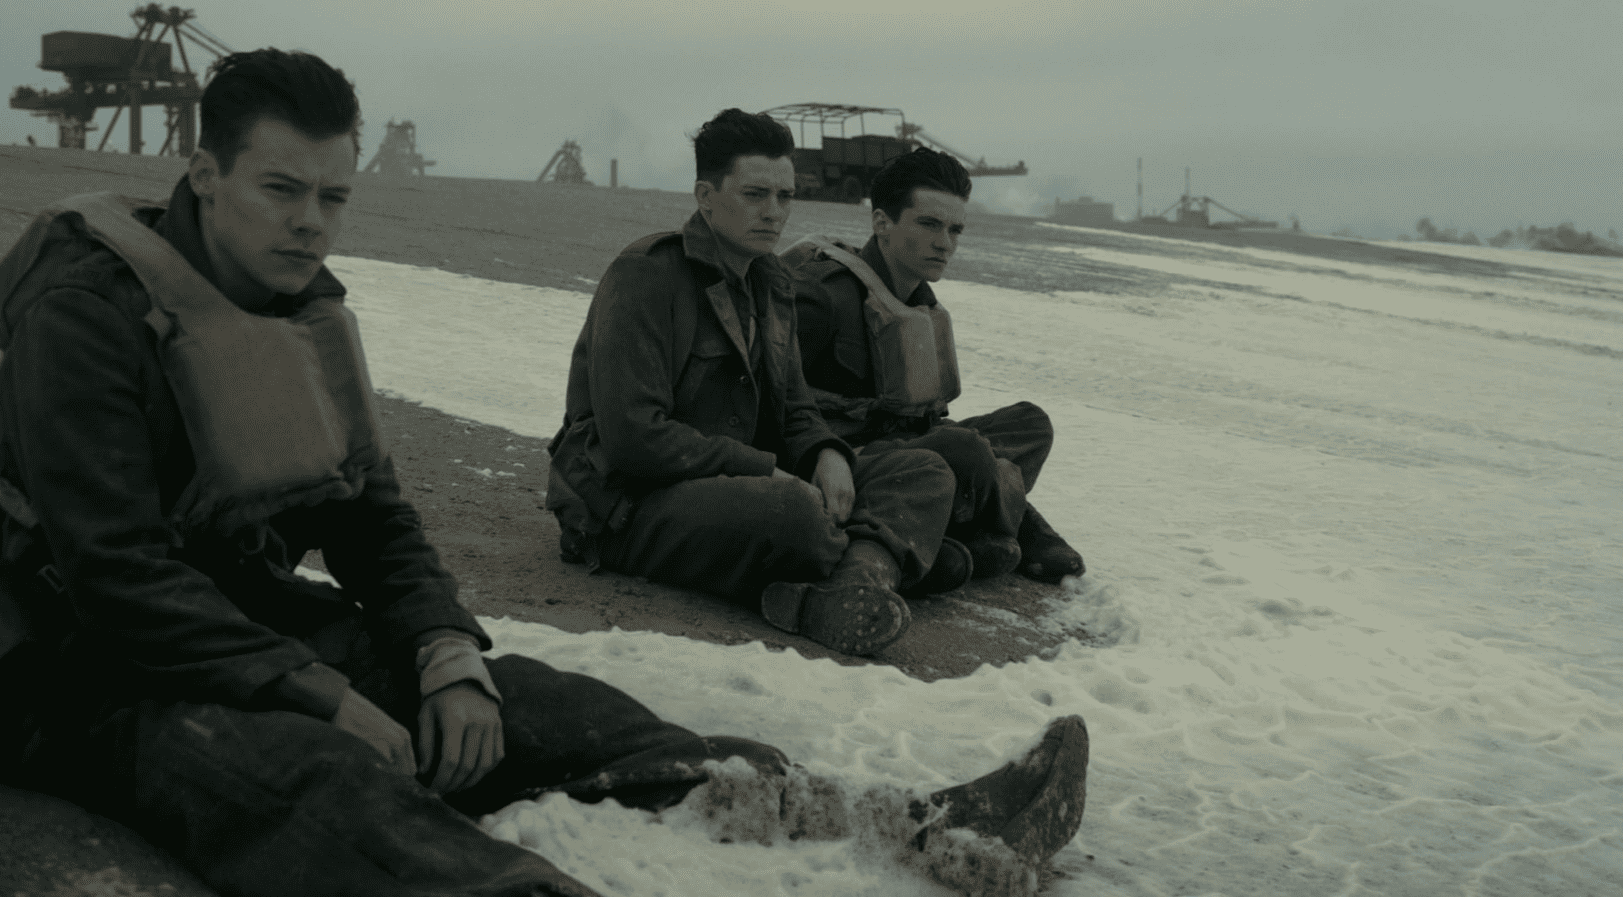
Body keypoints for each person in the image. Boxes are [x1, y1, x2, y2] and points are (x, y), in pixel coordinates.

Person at [0, 53, 1087, 897]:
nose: (310, 222)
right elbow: (114, 571)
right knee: (307, 775)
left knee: (536, 703)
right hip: (63, 650)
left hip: (225, 602)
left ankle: (891, 819)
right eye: (282, 189)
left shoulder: (305, 301)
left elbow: (374, 513)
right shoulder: (86, 308)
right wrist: (316, 690)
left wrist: (439, 648)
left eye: (332, 196)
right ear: (203, 173)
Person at [548, 109, 972, 658]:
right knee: (794, 515)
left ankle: (852, 582)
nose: (774, 213)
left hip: (739, 482)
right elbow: (635, 439)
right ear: (706, 195)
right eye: (754, 194)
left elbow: (795, 407)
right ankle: (879, 559)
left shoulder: (771, 281)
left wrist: (825, 454)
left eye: (786, 197)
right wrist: (764, 470)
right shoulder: (646, 276)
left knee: (924, 470)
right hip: (629, 505)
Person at [785, 148, 1086, 583]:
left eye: (954, 230)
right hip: (850, 467)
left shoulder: (920, 304)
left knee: (1030, 425)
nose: (944, 243)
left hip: (916, 453)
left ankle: (960, 532)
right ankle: (1008, 528)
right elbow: (768, 399)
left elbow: (927, 417)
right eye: (929, 224)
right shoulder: (824, 295)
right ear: (882, 223)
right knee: (963, 451)